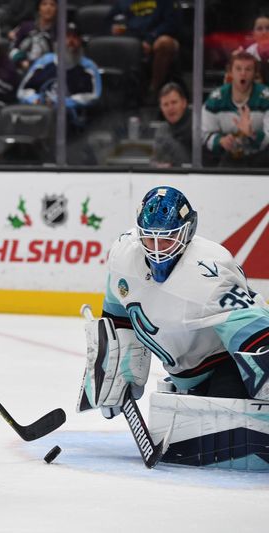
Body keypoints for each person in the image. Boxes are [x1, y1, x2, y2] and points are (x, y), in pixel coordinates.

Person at [76, 186, 269, 469]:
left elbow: (255, 331)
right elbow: (117, 314)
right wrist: (116, 369)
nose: (156, 249)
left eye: (166, 240)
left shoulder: (208, 272)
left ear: (187, 232)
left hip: (227, 364)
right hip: (186, 377)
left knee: (225, 442)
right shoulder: (123, 254)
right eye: (149, 238)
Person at [17, 24, 101, 129]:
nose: (70, 42)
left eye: (75, 37)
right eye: (67, 37)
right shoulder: (44, 61)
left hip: (71, 120)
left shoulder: (88, 67)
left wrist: (63, 103)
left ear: (80, 42)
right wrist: (36, 99)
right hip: (39, 113)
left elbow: (94, 96)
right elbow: (23, 90)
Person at [202, 51, 269, 167]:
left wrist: (252, 134)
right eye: (238, 69)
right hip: (226, 159)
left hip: (261, 161)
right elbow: (204, 134)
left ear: (254, 73)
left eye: (248, 69)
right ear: (230, 72)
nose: (243, 73)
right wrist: (220, 141)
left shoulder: (266, 98)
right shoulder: (216, 99)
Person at [107, 0, 181, 98]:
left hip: (159, 37)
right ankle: (120, 93)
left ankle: (154, 90)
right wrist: (114, 27)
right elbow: (109, 20)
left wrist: (150, 39)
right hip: (133, 39)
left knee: (164, 43)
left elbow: (171, 23)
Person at [9, 0, 57, 71]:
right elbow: (13, 49)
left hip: (47, 70)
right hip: (22, 67)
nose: (48, 8)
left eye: (52, 5)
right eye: (44, 4)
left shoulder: (60, 31)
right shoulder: (25, 26)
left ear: (57, 9)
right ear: (38, 8)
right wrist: (21, 61)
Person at [152, 82, 191, 167]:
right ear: (161, 108)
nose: (170, 108)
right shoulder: (161, 131)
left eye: (174, 102)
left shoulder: (198, 126)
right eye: (165, 104)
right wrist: (158, 165)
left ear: (184, 103)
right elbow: (154, 161)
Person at [245, 13, 269, 84]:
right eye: (259, 29)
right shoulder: (248, 54)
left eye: (268, 28)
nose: (264, 32)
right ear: (253, 34)